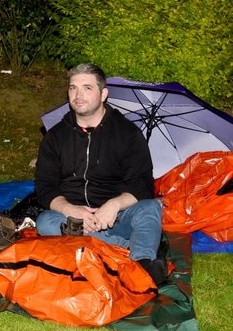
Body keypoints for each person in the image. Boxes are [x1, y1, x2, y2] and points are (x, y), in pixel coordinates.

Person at [33, 63, 167, 285]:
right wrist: (69, 209)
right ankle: (125, 248)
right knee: (46, 222)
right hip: (73, 220)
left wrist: (113, 205)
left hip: (117, 217)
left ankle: (142, 266)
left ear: (103, 93)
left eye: (87, 88)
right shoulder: (55, 136)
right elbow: (45, 186)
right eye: (73, 88)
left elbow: (142, 184)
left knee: (150, 208)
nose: (78, 95)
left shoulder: (127, 134)